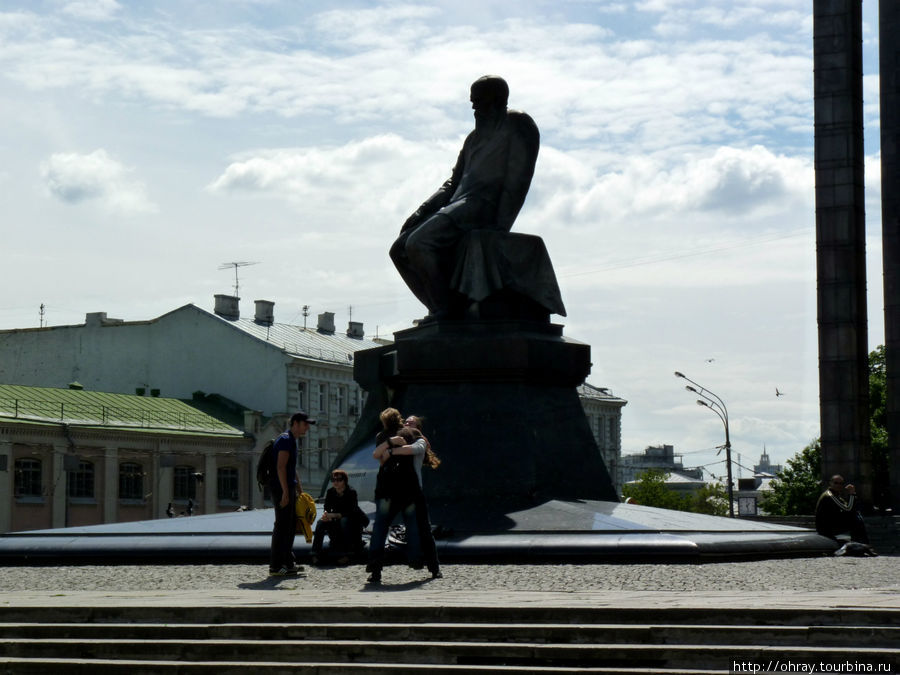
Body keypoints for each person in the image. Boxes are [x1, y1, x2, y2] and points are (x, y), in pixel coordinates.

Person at [389, 75, 540, 322]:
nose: (473, 107)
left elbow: (519, 176)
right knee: (399, 249)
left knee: (419, 244)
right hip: (458, 204)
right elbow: (452, 183)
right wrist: (422, 210)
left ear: (498, 100)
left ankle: (444, 311)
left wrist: (501, 224)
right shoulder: (473, 138)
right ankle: (442, 307)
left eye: (479, 101)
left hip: (482, 205)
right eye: (472, 102)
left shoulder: (517, 124)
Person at [365, 408, 428, 584]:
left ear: (384, 422)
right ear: (399, 419)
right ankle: (415, 558)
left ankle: (375, 566)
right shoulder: (412, 432)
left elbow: (380, 459)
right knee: (411, 522)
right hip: (408, 487)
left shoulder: (381, 437)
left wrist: (390, 447)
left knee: (380, 527)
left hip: (386, 487)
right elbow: (423, 447)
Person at [268, 411, 314, 576]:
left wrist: (299, 490)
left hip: (288, 487)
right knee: (282, 526)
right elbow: (281, 467)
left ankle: (287, 562)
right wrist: (286, 493)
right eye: (305, 424)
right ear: (295, 423)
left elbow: (291, 468)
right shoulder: (286, 440)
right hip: (281, 488)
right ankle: (275, 566)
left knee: (289, 525)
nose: (307, 427)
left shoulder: (292, 441)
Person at [311, 469, 363, 566]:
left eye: (339, 480)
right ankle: (315, 553)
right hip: (335, 517)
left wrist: (334, 515)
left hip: (351, 518)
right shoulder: (330, 492)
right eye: (333, 480)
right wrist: (326, 515)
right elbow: (326, 507)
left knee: (344, 521)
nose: (335, 482)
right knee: (321, 523)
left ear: (344, 481)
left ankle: (346, 554)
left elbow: (351, 511)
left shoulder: (351, 492)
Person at [815, 475, 870, 545]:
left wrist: (853, 496)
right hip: (825, 528)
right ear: (830, 483)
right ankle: (861, 543)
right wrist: (852, 494)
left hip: (831, 524)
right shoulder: (830, 496)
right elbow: (847, 509)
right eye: (836, 483)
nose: (838, 485)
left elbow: (849, 507)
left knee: (856, 516)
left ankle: (860, 543)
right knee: (855, 518)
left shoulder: (836, 496)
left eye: (841, 483)